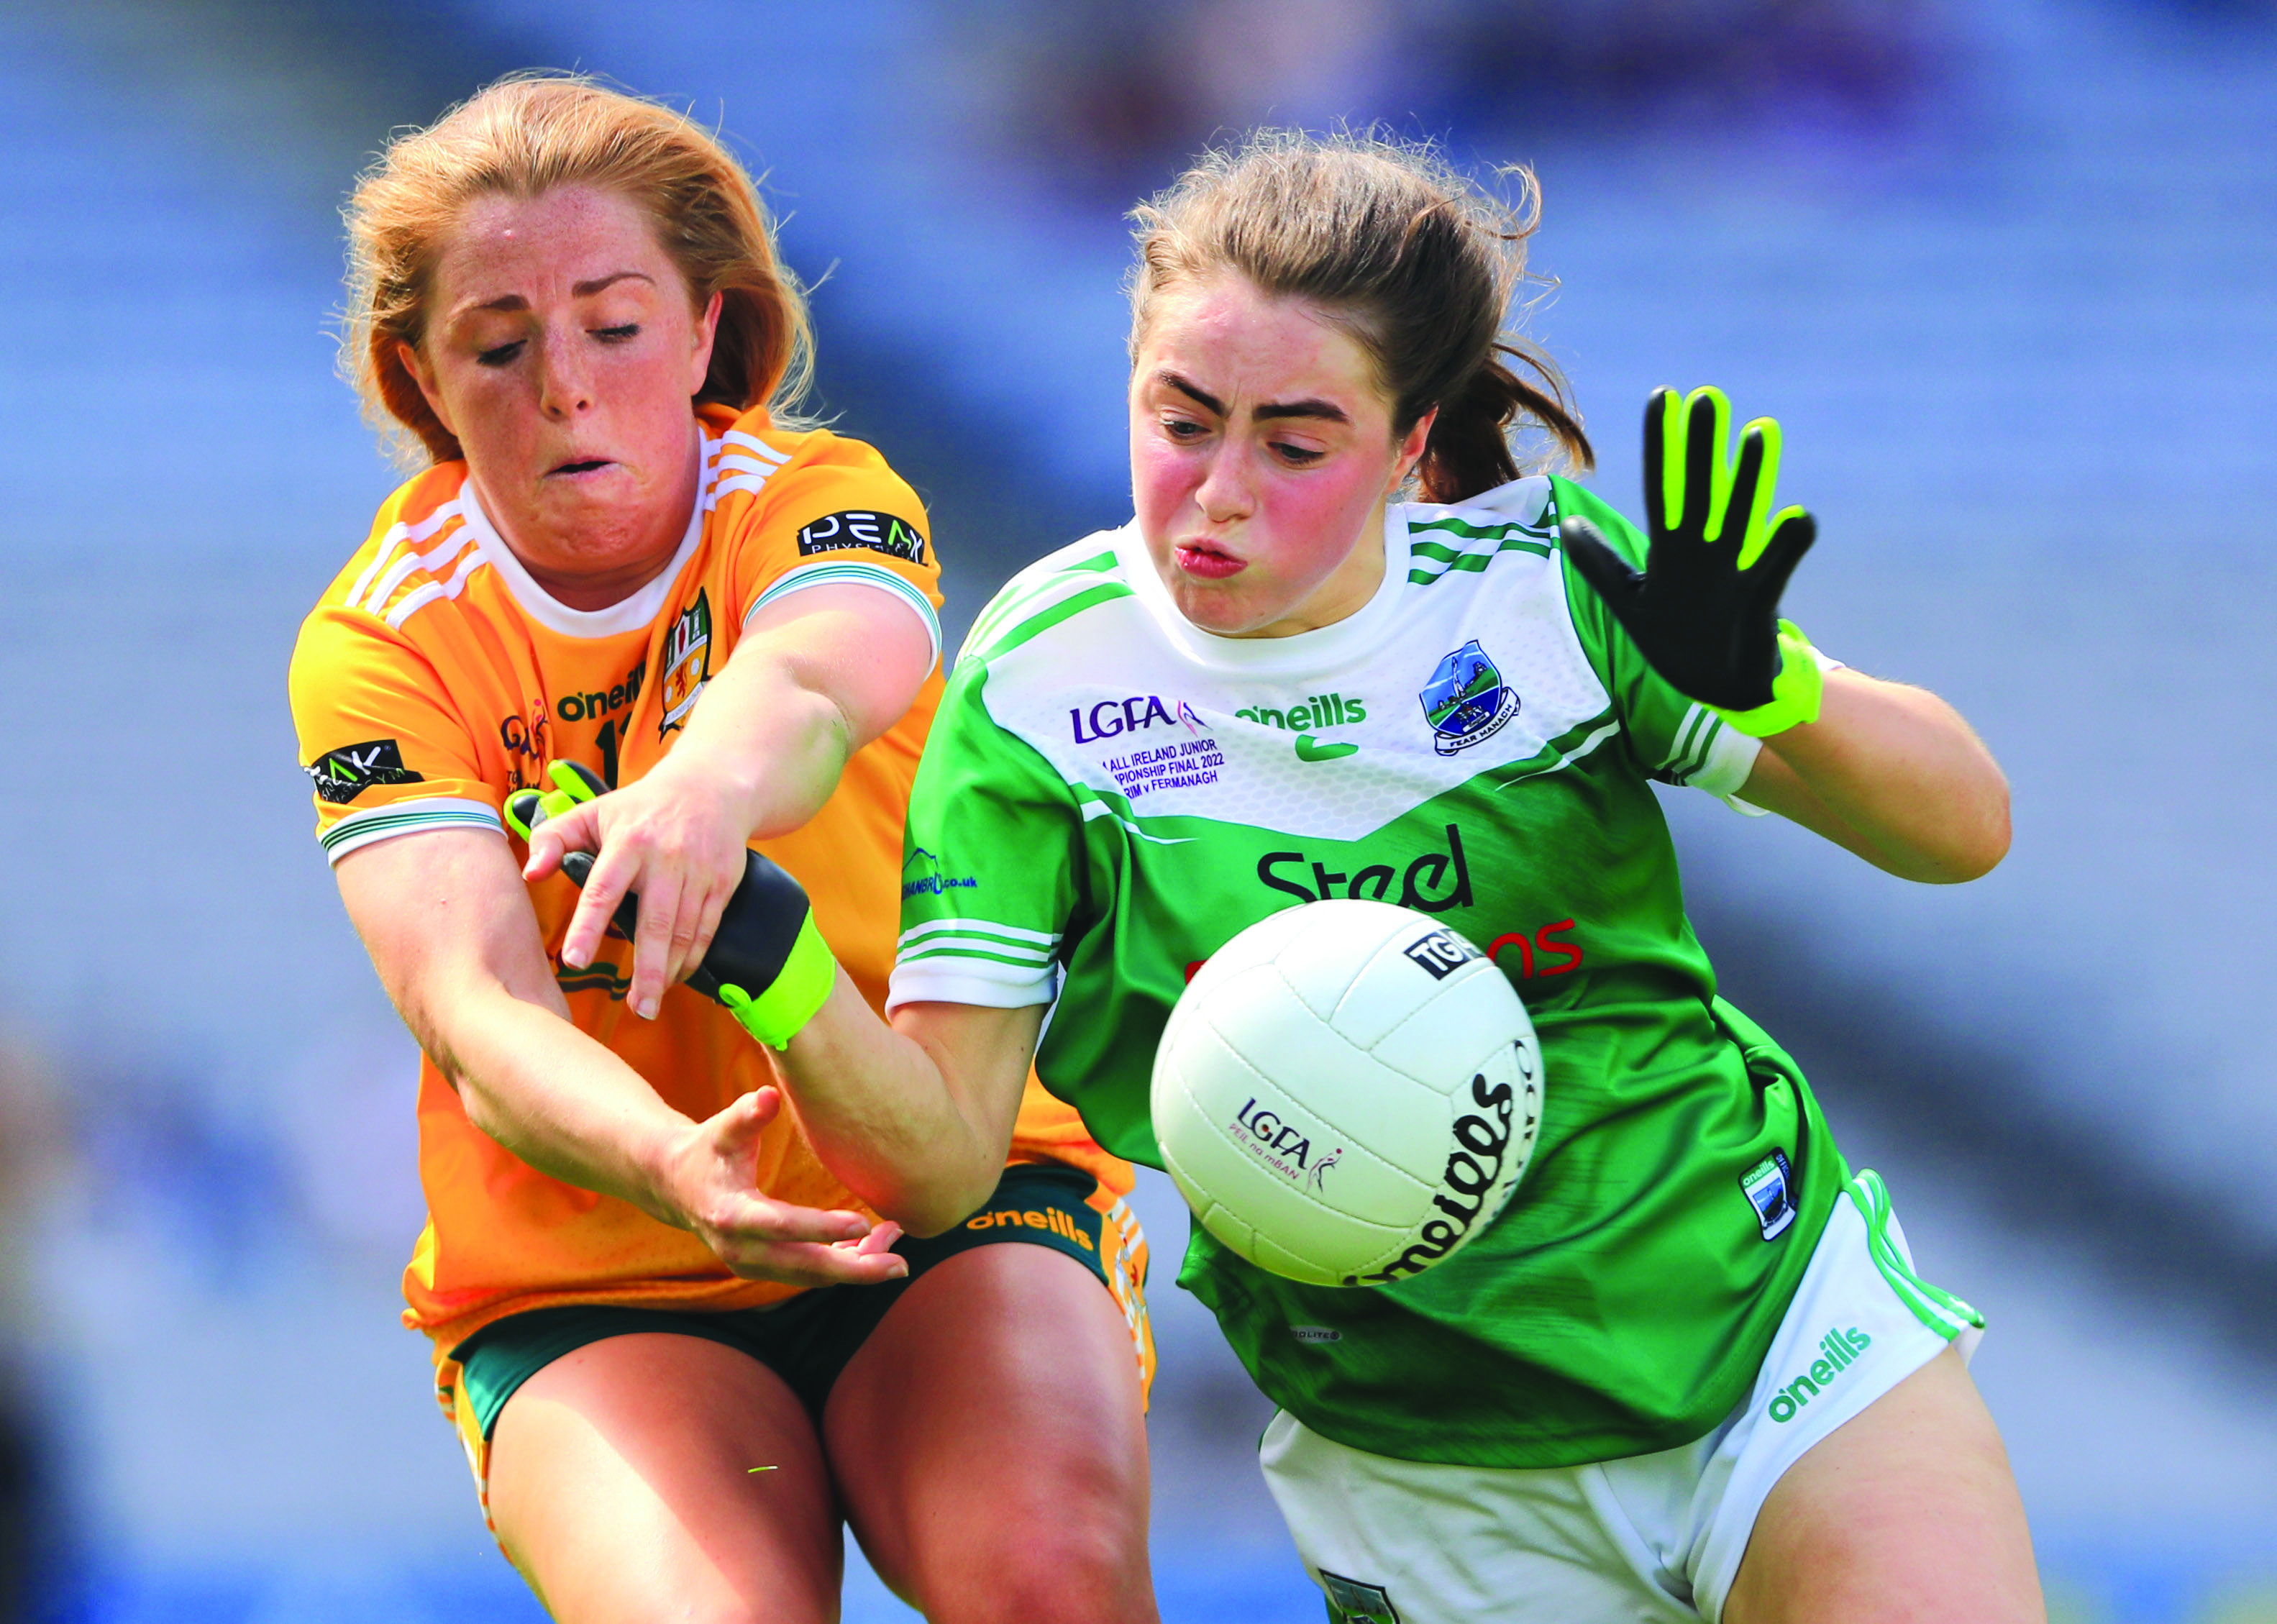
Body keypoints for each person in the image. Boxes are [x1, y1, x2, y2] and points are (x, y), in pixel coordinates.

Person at [734, 132, 2043, 1623]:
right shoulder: (1043, 680)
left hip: (1771, 1344)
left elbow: (1962, 830)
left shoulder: (1542, 588)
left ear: (1410, 442)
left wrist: (1774, 686)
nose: (1214, 493)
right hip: (1422, 1466)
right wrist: (772, 962)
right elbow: (944, 1159)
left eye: (1294, 443)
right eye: (1179, 420)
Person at [288, 74, 1156, 1624]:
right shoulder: (378, 646)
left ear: (702, 332)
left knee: (1047, 1584)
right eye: (499, 344)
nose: (563, 386)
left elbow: (821, 678)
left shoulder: (819, 496)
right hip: (594, 1269)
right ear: (421, 376)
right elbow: (475, 1014)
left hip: (946, 1189)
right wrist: (662, 1163)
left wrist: (694, 795)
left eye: (615, 327)